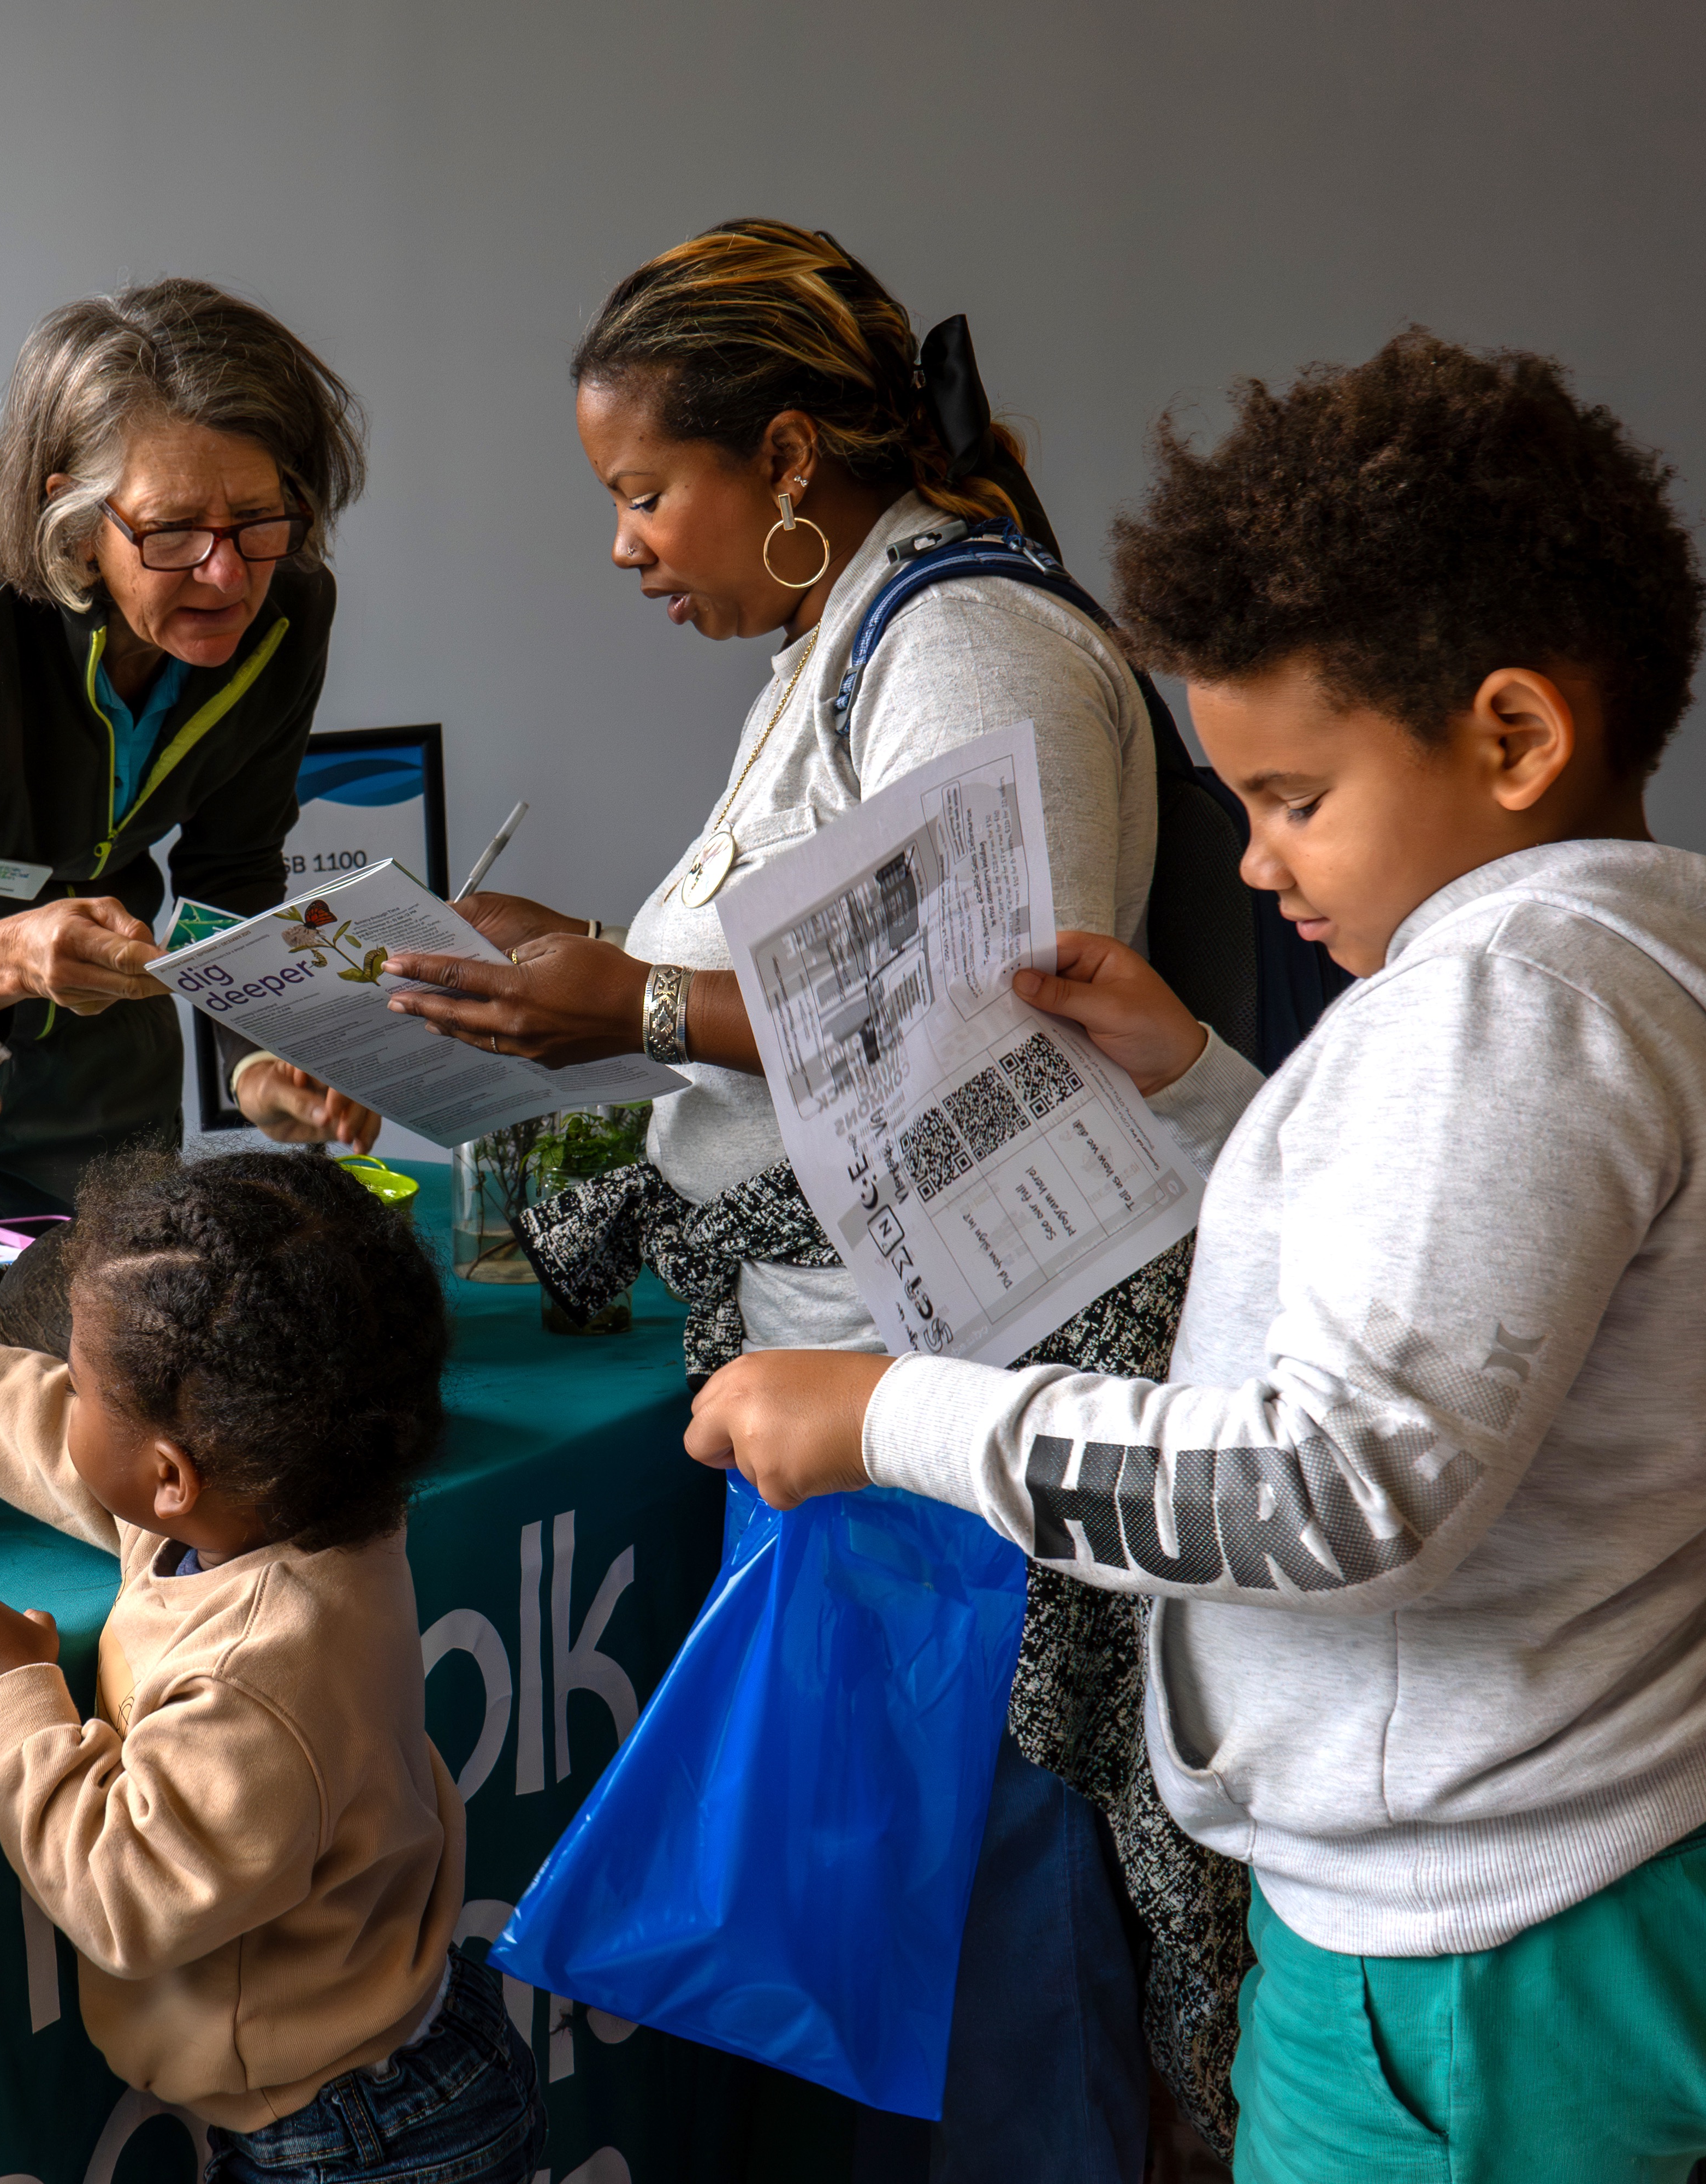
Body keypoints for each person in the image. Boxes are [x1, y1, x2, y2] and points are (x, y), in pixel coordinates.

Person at [698, 330, 1706, 2181]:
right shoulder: (1597, 982)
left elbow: (1336, 1484)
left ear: (1516, 738)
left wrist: (895, 1417)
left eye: (1295, 799)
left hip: (1480, 1937)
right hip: (1596, 1830)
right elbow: (1473, 1287)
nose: (1251, 862)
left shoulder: (1499, 1016)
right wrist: (1208, 1091)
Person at [381, 220, 1195, 2165]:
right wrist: (565, 968)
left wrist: (633, 1001)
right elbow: (823, 988)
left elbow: (990, 1019)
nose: (623, 546)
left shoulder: (968, 647)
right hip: (857, 1390)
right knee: (902, 1947)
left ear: (793, 459)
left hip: (949, 1403)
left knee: (990, 1957)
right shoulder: (841, 647)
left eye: (645, 491)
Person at [0, 1151, 542, 2180]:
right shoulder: (295, 1499)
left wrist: (13, 1689)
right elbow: (36, 1426)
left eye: (85, 1387)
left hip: (356, 2139)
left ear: (170, 1474)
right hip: (391, 2062)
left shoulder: (253, 1672)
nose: (60, 1397)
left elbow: (123, 1897)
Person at [0, 281, 378, 1252]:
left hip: (96, 1036)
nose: (226, 574)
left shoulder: (292, 604)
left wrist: (257, 1055)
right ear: (75, 520)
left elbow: (232, 868)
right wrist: (14, 955)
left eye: (260, 518)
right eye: (172, 530)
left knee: (119, 1329)